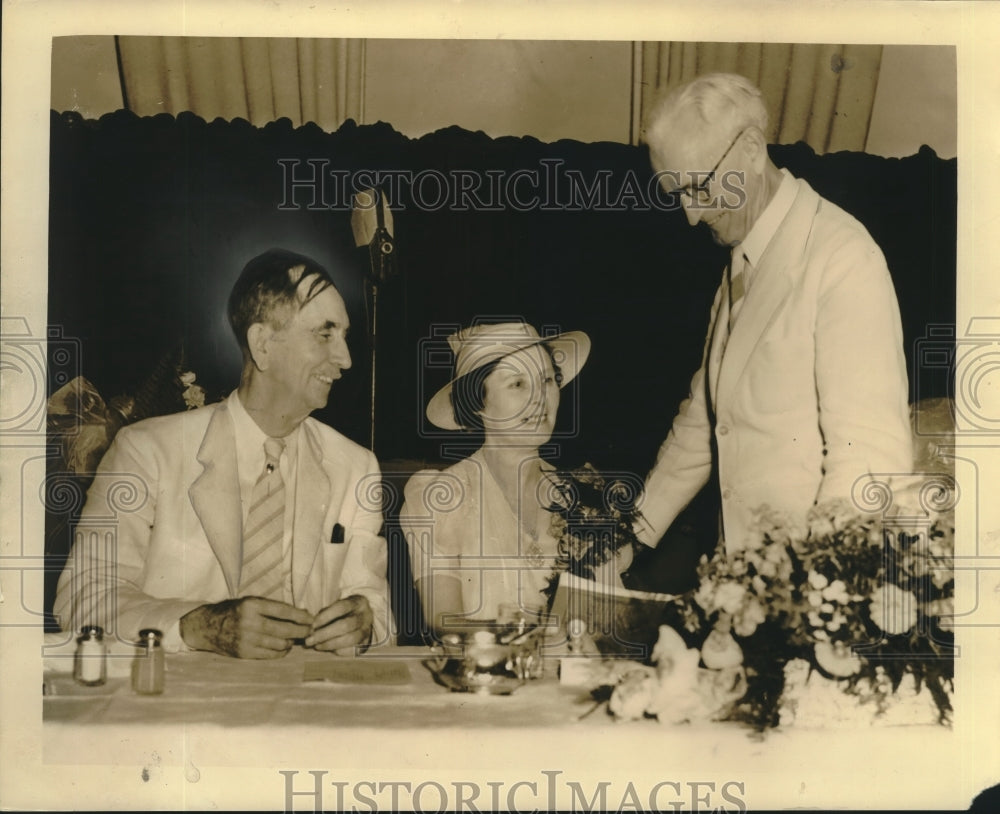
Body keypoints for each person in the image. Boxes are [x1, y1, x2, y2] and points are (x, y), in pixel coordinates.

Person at [54, 248, 390, 658]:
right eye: (325, 333)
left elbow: (376, 608)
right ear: (262, 343)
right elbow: (81, 596)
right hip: (177, 707)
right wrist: (197, 625)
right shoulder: (145, 452)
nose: (345, 359)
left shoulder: (357, 466)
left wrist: (366, 622)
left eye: (344, 336)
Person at [637, 72, 912, 554]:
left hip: (800, 591)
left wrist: (806, 591)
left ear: (749, 148)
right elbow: (705, 421)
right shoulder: (743, 257)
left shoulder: (843, 258)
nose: (690, 215)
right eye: (675, 194)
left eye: (699, 187)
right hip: (739, 581)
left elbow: (870, 459)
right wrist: (631, 536)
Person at [399, 321, 594, 636]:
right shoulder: (441, 495)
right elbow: (442, 620)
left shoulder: (580, 495)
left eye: (546, 379)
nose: (540, 399)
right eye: (518, 384)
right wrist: (532, 638)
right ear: (478, 404)